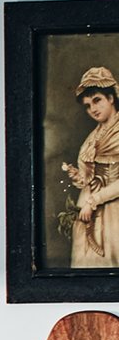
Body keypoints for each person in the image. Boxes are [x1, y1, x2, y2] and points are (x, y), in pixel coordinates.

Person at [62, 67, 119, 267]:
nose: (93, 109)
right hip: (88, 213)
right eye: (87, 105)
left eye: (97, 100)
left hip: (114, 212)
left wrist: (94, 200)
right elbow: (88, 176)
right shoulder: (92, 137)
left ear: (111, 97)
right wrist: (79, 177)